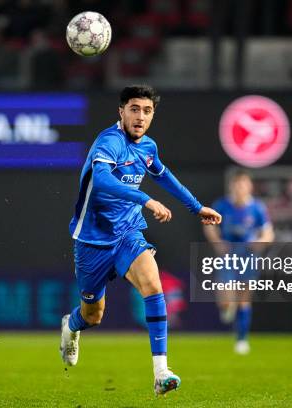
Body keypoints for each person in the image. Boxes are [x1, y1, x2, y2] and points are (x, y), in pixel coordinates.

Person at [60, 85, 222, 395]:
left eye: (147, 111)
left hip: (128, 233)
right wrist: (145, 199)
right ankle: (70, 326)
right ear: (121, 112)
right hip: (92, 240)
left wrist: (196, 207)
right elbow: (105, 181)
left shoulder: (148, 147)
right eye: (134, 109)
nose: (141, 116)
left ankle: (161, 373)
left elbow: (164, 176)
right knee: (93, 315)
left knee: (153, 284)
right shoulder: (109, 142)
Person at [203, 170, 274, 354]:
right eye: (236, 184)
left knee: (244, 300)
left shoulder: (257, 208)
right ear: (232, 186)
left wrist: (260, 243)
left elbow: (268, 232)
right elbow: (209, 226)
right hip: (228, 254)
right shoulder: (222, 205)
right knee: (226, 297)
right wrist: (218, 244)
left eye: (243, 184)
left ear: (249, 186)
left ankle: (241, 340)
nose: (239, 188)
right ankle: (226, 308)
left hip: (248, 256)